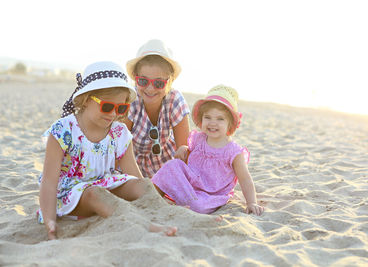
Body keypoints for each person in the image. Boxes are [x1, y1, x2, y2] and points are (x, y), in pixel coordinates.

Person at [38, 61, 177, 240]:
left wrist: (146, 191)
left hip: (106, 187)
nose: (112, 114)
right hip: (72, 195)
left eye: (121, 108)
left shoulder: (119, 132)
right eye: (107, 106)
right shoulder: (63, 130)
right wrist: (50, 220)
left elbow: (134, 176)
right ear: (87, 99)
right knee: (96, 194)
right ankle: (145, 225)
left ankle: (176, 216)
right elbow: (49, 182)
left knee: (145, 185)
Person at [152, 85, 264, 216]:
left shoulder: (233, 152)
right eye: (208, 117)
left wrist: (252, 202)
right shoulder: (199, 139)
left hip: (212, 195)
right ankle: (153, 194)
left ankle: (186, 202)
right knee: (172, 165)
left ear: (230, 123)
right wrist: (184, 149)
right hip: (191, 185)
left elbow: (245, 179)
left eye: (220, 119)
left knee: (198, 205)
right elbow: (192, 157)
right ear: (201, 118)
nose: (212, 123)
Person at [124, 39, 190, 178]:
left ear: (170, 81)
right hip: (131, 164)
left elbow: (183, 149)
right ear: (135, 79)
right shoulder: (131, 100)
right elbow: (121, 147)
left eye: (159, 83)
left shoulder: (174, 99)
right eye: (143, 81)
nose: (150, 88)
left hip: (168, 162)